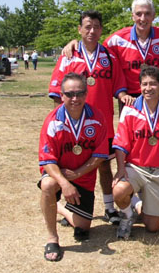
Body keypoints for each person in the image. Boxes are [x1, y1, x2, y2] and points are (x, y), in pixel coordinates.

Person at [49, 10, 134, 225]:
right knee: (74, 164)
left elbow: (119, 87)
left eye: (96, 27)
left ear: (101, 30)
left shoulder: (110, 56)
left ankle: (109, 208)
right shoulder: (69, 56)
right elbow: (56, 94)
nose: (92, 31)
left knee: (104, 166)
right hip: (73, 125)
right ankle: (72, 207)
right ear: (79, 29)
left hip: (102, 124)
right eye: (87, 27)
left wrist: (124, 96)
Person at [38, 73, 108, 261]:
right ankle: (52, 238)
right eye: (69, 94)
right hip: (58, 174)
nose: (75, 99)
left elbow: (99, 156)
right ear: (61, 96)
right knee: (47, 186)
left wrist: (76, 174)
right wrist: (64, 182)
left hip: (83, 177)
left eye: (79, 93)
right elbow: (47, 160)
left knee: (83, 228)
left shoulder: (97, 117)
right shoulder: (53, 121)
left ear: (86, 94)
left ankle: (59, 207)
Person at [112, 65, 159, 239]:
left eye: (153, 84)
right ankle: (127, 216)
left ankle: (139, 205)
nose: (148, 88)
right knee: (119, 190)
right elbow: (121, 144)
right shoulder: (130, 110)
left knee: (153, 228)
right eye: (144, 84)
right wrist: (121, 169)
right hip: (135, 168)